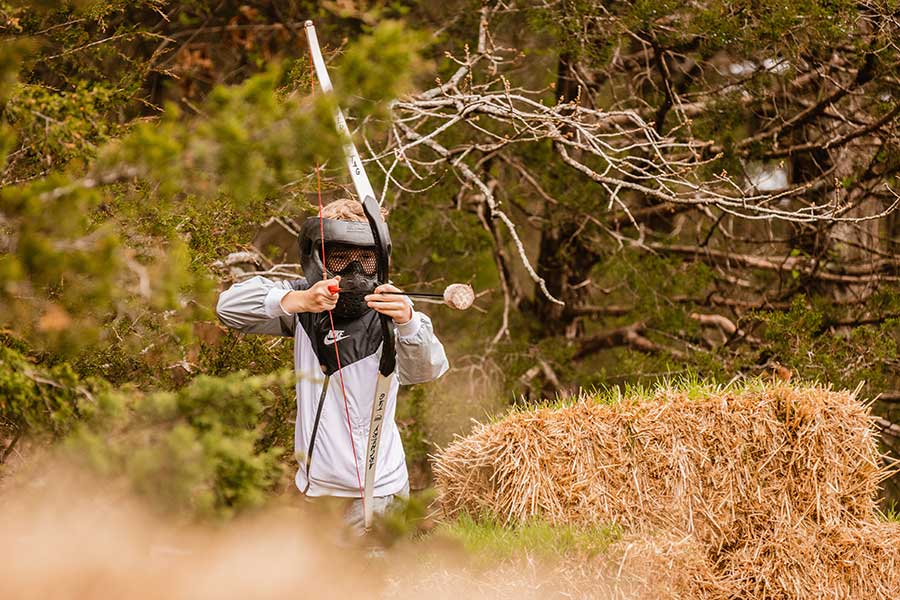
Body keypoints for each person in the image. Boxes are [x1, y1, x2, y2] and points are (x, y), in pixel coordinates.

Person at [216, 199, 448, 533]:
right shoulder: (303, 301)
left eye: (366, 257)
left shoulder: (393, 308)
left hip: (378, 490)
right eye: (340, 255)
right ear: (318, 255)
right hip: (318, 491)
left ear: (380, 257)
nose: (354, 269)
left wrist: (409, 322)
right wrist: (298, 301)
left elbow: (428, 370)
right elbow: (228, 308)